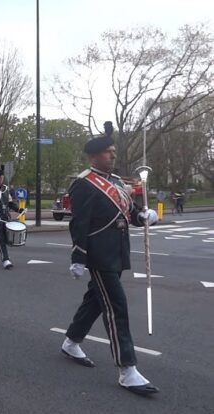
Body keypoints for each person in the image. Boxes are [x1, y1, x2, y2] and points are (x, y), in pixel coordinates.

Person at [62, 121, 159, 395]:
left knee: (95, 300)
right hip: (99, 255)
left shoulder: (115, 182)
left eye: (114, 151)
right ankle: (127, 369)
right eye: (108, 152)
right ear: (94, 156)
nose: (113, 155)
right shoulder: (83, 184)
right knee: (116, 306)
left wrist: (143, 216)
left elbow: (126, 213)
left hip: (117, 252)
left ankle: (71, 341)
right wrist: (78, 255)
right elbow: (79, 223)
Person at [0, 168, 24, 269]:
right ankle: (5, 259)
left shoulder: (5, 189)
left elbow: (10, 203)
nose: (0, 179)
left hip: (5, 216)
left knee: (0, 236)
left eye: (1, 177)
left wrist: (19, 210)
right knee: (0, 237)